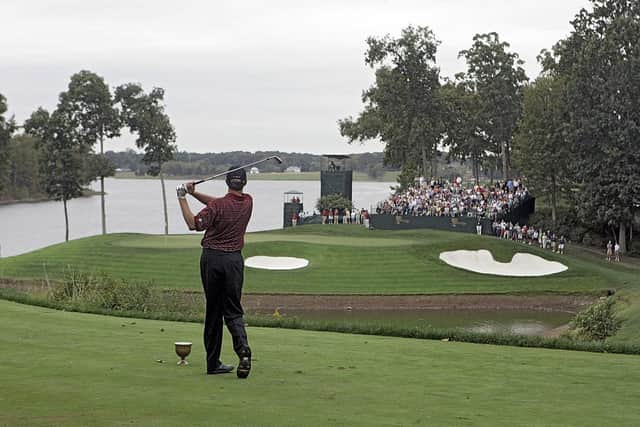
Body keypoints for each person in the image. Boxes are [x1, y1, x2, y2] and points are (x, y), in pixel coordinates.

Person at [176, 166, 252, 379]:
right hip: (235, 261)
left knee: (214, 312)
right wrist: (194, 192)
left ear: (227, 183)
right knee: (233, 310)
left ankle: (213, 363)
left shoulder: (218, 205)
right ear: (244, 184)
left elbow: (193, 224)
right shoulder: (248, 202)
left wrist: (182, 196)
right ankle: (243, 349)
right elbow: (219, 204)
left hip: (213, 260)